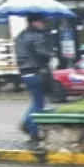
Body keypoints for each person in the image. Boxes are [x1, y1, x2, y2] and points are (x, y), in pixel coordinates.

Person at [15, 13, 54, 142]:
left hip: (25, 73)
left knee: (36, 101)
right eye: (42, 22)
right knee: (39, 104)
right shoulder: (37, 36)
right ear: (34, 22)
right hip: (36, 71)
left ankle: (27, 123)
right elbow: (42, 53)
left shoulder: (21, 35)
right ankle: (33, 131)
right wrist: (51, 54)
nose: (44, 24)